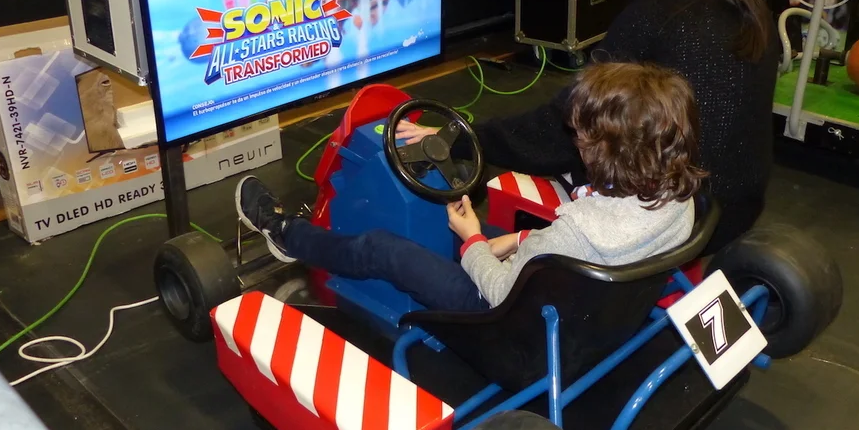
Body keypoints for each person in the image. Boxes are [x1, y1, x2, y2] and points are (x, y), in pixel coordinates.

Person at [400, 0, 777, 255]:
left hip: (670, 224)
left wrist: (463, 138)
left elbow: (563, 127)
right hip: (733, 215)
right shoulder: (755, 16)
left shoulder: (654, 17)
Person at [235, 63, 704, 312]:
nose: (575, 142)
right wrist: (518, 240)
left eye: (582, 136)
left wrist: (473, 240)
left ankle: (286, 234)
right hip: (586, 307)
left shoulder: (578, 229)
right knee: (494, 229)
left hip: (497, 319)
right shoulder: (679, 200)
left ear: (606, 151)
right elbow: (573, 249)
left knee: (381, 249)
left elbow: (499, 293)